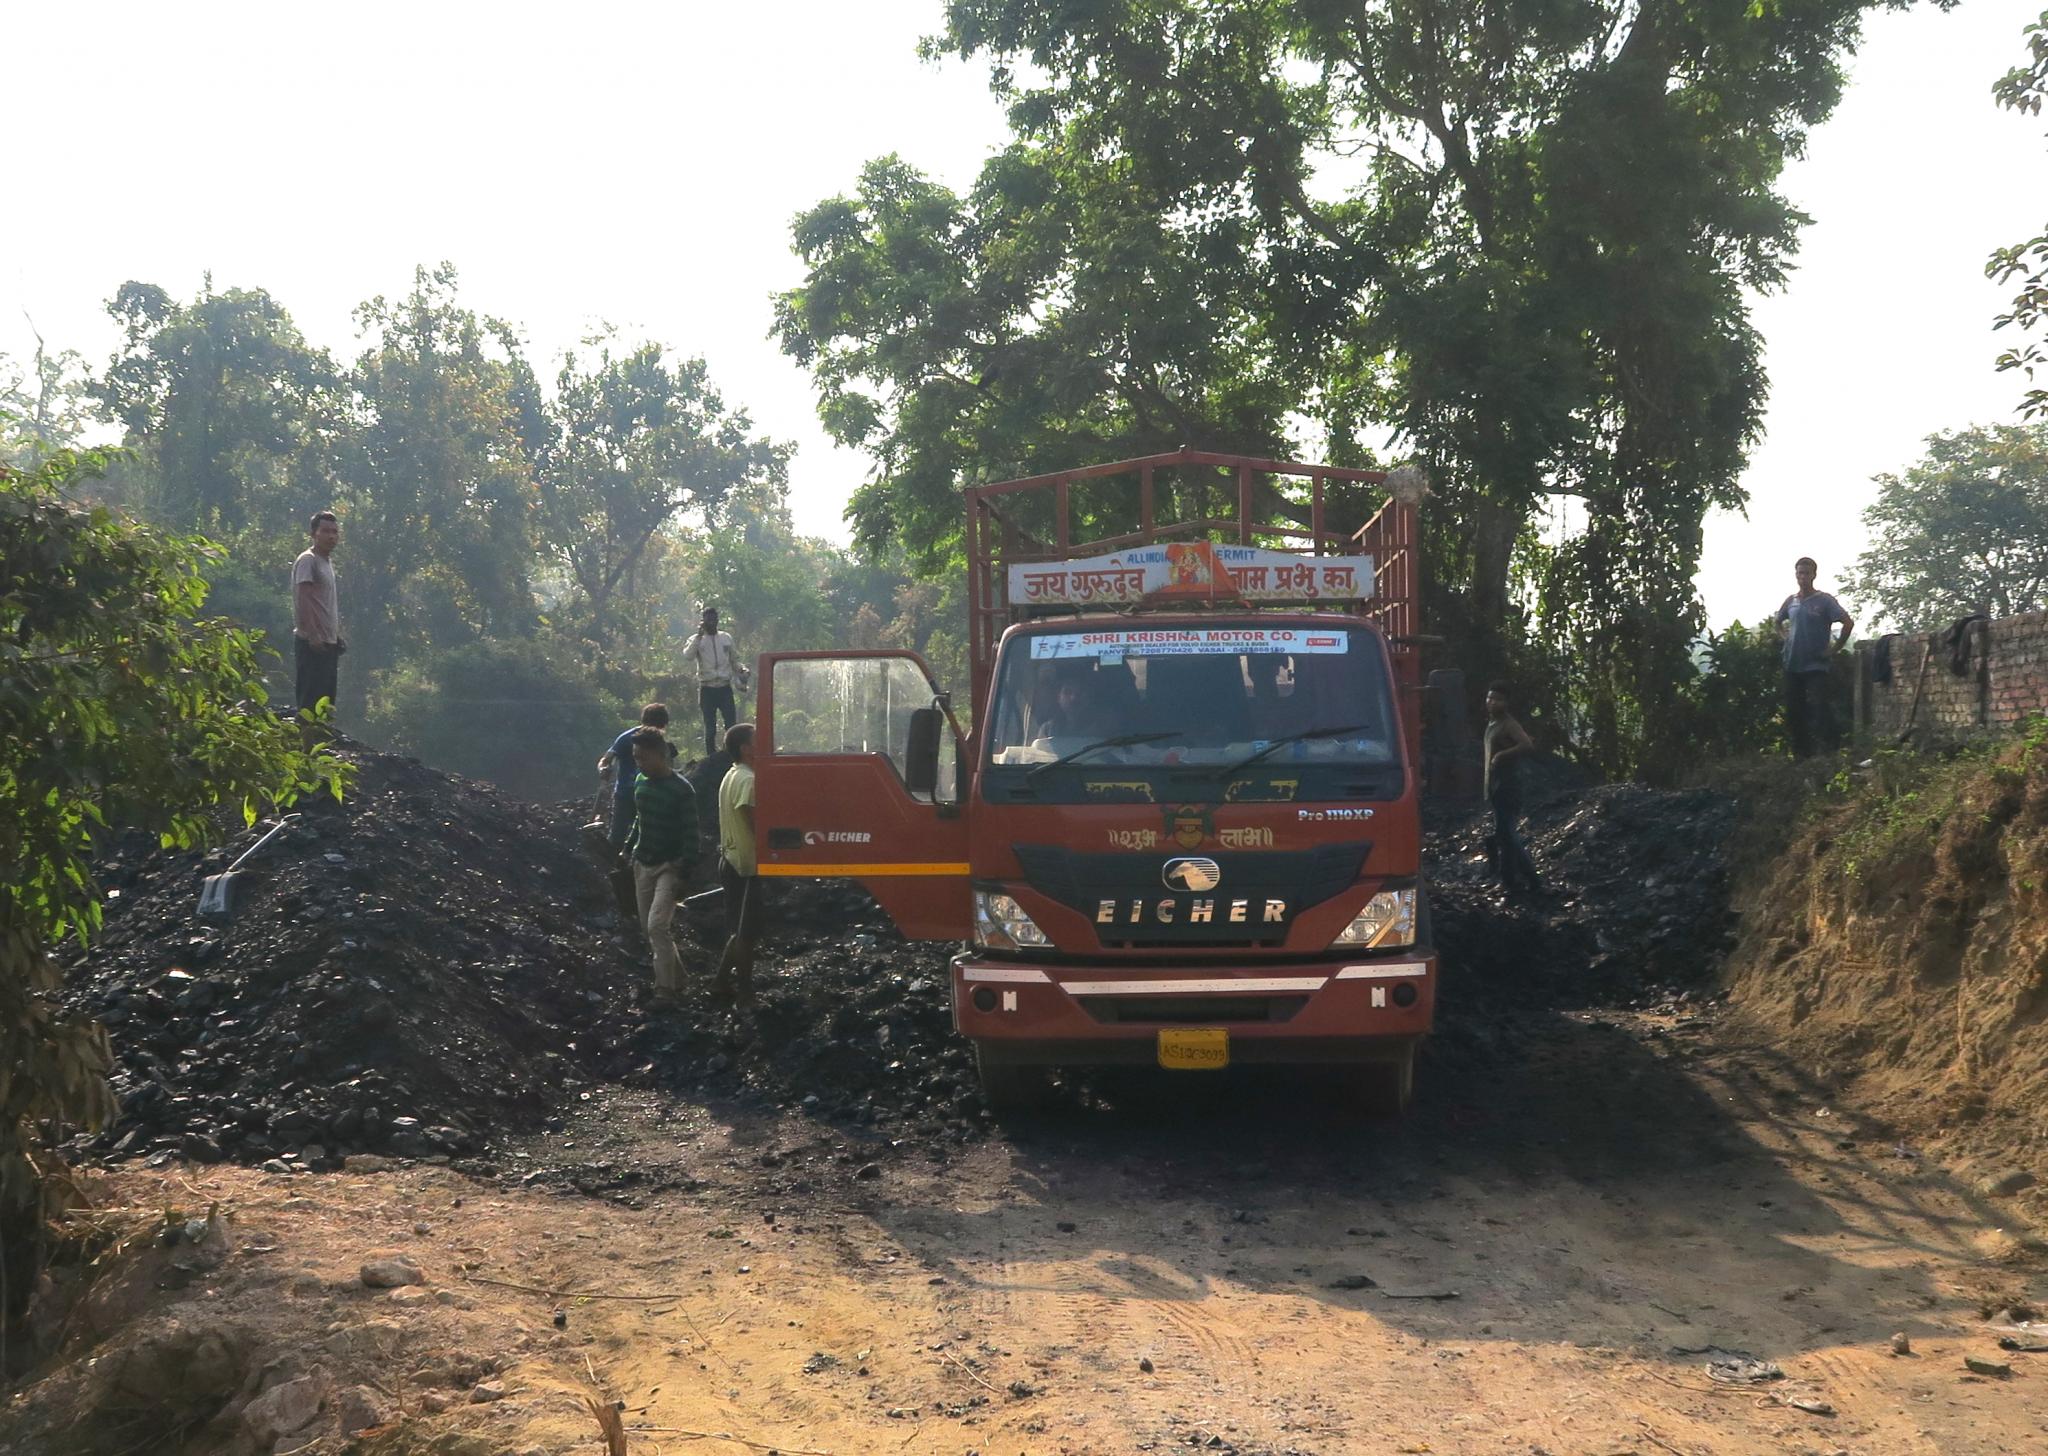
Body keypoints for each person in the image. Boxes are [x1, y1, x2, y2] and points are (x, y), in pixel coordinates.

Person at [625, 726, 700, 1007]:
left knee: (658, 926)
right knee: (648, 930)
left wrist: (685, 871)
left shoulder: (682, 790)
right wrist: (626, 848)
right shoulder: (640, 782)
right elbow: (639, 820)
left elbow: (692, 834)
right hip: (642, 862)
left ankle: (664, 991)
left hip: (670, 865)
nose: (639, 763)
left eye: (643, 758)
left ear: (661, 755)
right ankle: (679, 980)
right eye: (635, 757)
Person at [1774, 557, 1854, 758]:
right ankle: (1801, 756)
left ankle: (1830, 752)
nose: (1803, 577)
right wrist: (1786, 638)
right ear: (1796, 575)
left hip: (1816, 665)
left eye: (1806, 573)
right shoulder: (1791, 601)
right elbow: (1778, 622)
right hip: (1792, 663)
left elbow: (1847, 623)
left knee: (1820, 708)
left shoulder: (1824, 600)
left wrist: (1834, 649)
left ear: (1814, 575)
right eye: (1800, 573)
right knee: (1794, 711)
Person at [713, 722, 762, 1007]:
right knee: (746, 934)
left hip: (730, 859)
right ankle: (745, 993)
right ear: (745, 748)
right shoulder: (748, 780)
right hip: (745, 865)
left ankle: (720, 982)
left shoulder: (731, 775)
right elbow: (750, 814)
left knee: (740, 930)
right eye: (759, 740)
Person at [1483, 680, 1543, 895]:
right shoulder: (1493, 723)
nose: (1492, 702)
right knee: (1503, 835)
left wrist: (1502, 755)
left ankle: (1531, 879)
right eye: (1490, 698)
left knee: (1507, 834)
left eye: (1497, 699)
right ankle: (1509, 880)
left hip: (1509, 785)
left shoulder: (1509, 724)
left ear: (1506, 703)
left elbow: (1527, 744)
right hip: (1496, 786)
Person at [599, 704, 677, 849]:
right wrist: (604, 768)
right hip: (626, 795)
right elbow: (606, 759)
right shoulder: (628, 738)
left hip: (652, 795)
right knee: (617, 837)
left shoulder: (662, 743)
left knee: (648, 836)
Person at [291, 510, 344, 714]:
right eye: (326, 531)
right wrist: (313, 634)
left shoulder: (326, 562)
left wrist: (334, 635)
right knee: (309, 699)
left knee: (326, 700)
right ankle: (306, 745)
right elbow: (303, 598)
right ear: (314, 533)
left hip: (327, 643)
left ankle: (319, 745)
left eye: (335, 532)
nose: (331, 536)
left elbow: (323, 604)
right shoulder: (308, 560)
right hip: (312, 643)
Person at [681, 606, 750, 756]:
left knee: (731, 725)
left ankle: (731, 754)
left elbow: (734, 660)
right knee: (710, 727)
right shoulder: (696, 640)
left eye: (714, 619)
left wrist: (742, 670)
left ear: (718, 620)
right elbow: (688, 656)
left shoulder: (725, 638)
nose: (712, 623)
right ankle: (711, 756)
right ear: (703, 621)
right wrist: (699, 636)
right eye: (709, 620)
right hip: (707, 688)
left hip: (724, 687)